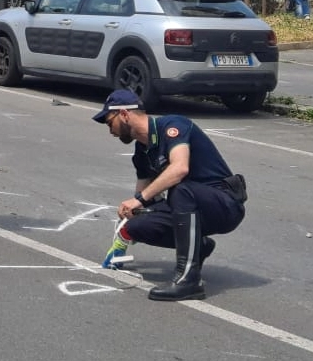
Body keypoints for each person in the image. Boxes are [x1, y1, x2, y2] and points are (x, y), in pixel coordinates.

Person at [93, 89, 247, 301]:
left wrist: (138, 200)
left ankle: (188, 281)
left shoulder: (173, 126)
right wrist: (126, 228)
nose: (110, 131)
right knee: (137, 225)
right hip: (191, 206)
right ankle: (199, 247)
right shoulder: (142, 152)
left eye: (110, 122)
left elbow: (180, 168)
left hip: (224, 204)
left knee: (181, 189)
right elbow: (142, 198)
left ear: (124, 114)